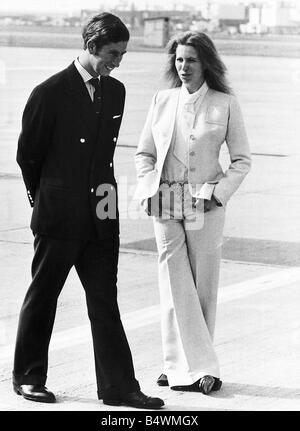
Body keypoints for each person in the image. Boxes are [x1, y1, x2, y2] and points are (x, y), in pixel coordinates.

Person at [13, 12, 164, 410]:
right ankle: (28, 377)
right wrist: (47, 199)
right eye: (113, 53)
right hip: (59, 217)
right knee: (44, 296)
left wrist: (106, 209)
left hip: (101, 214)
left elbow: (103, 158)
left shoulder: (116, 92)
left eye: (123, 54)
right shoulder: (49, 92)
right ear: (91, 46)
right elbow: (28, 156)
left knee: (104, 301)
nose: (118, 61)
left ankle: (119, 387)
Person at [134, 31, 251, 395]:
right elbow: (144, 154)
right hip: (164, 200)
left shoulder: (224, 103)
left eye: (191, 60)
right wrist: (147, 187)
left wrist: (217, 193)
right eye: (179, 59)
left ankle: (200, 367)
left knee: (202, 285)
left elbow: (242, 160)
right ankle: (178, 365)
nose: (183, 67)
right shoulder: (162, 99)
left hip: (204, 204)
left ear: (206, 64)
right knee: (172, 283)